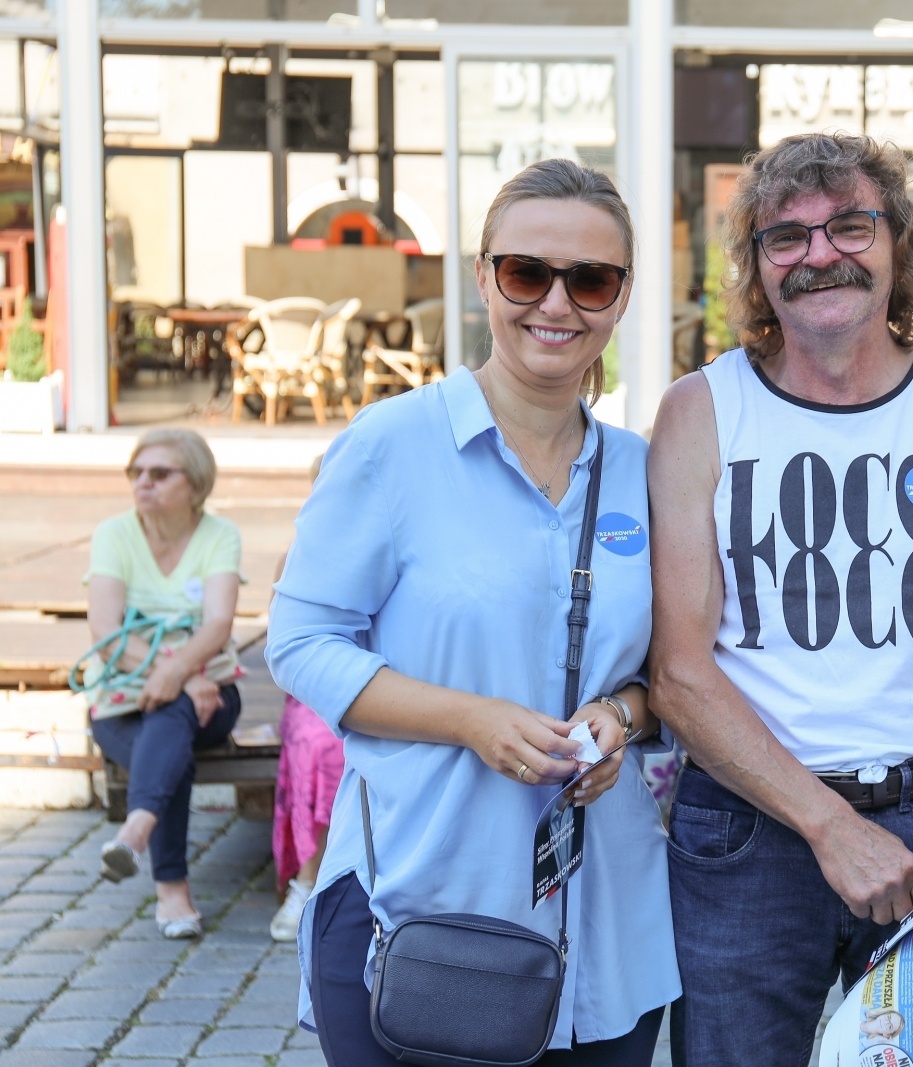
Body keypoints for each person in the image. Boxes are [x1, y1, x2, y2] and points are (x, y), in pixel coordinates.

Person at [267, 158, 678, 1066]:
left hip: (605, 921)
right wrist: (469, 720)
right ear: (485, 276)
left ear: (620, 298)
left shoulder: (646, 471)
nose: (556, 304)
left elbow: (670, 671)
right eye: (527, 272)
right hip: (416, 906)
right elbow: (300, 643)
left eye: (591, 280)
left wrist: (621, 715)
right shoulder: (392, 444)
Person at [649, 131, 913, 1064]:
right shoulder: (701, 412)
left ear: (899, 246)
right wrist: (832, 828)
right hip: (747, 832)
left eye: (850, 227)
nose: (819, 254)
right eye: (785, 238)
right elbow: (677, 670)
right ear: (756, 267)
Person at [86, 428, 243, 940]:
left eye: (159, 473)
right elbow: (106, 633)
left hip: (209, 694)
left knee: (171, 718)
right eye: (136, 472)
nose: (143, 482)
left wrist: (181, 673)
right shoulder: (114, 533)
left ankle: (138, 836)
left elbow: (218, 624)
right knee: (171, 741)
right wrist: (177, 676)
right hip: (122, 698)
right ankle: (169, 888)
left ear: (195, 485)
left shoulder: (219, 535)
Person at [268, 456, 342, 944]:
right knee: (322, 744)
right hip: (314, 693)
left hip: (396, 687)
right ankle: (309, 879)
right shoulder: (299, 554)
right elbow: (287, 652)